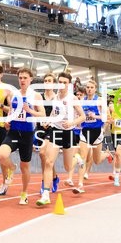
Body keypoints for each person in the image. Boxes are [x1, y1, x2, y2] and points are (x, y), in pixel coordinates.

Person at [0, 67, 43, 203]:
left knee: (25, 166)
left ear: (31, 79)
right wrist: (7, 120)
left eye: (25, 78)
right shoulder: (14, 94)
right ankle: (11, 167)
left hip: (28, 134)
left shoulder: (36, 96)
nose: (22, 80)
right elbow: (11, 110)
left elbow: (42, 114)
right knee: (2, 155)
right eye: (20, 78)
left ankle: (24, 193)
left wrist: (30, 110)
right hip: (14, 131)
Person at [37, 71, 84, 207]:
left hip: (68, 132)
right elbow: (53, 112)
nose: (62, 84)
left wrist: (72, 123)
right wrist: (48, 121)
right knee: (48, 161)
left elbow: (82, 117)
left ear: (69, 85)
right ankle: (45, 194)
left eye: (65, 83)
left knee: (67, 166)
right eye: (61, 82)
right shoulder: (56, 98)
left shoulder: (73, 98)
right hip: (56, 131)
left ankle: (78, 159)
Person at [74, 79, 110, 194]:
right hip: (85, 131)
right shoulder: (82, 101)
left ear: (95, 89)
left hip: (97, 132)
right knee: (83, 157)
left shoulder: (99, 101)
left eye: (91, 87)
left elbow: (107, 118)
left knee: (97, 160)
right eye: (87, 87)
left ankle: (107, 154)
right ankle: (80, 184)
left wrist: (95, 116)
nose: (89, 89)